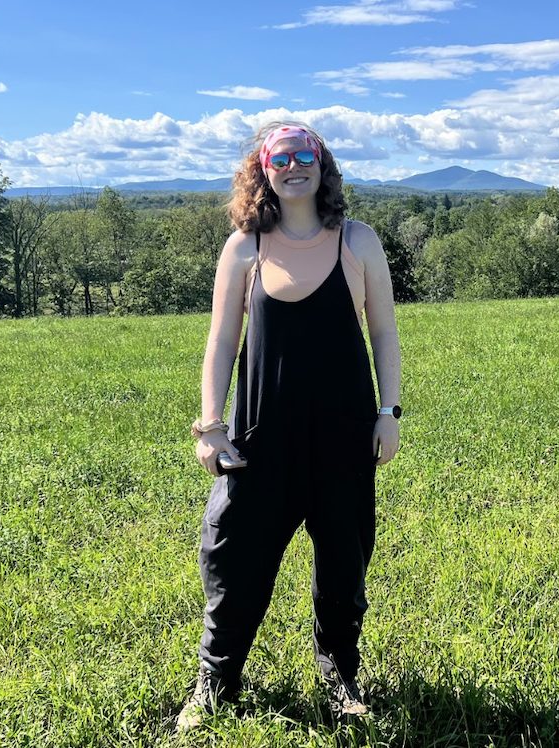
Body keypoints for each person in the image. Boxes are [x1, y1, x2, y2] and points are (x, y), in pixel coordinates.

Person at [177, 122, 402, 733]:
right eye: (282, 156)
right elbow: (221, 341)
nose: (295, 165)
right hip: (259, 438)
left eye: (308, 154)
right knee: (232, 555)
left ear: (323, 165)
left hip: (343, 435)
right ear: (263, 168)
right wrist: (210, 425)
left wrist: (389, 412)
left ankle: (341, 679)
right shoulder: (245, 248)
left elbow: (383, 332)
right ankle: (216, 682)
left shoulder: (357, 242)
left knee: (344, 563)